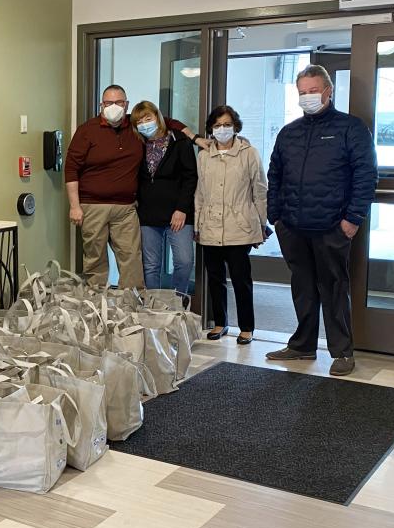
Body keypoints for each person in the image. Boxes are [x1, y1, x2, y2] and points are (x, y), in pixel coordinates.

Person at [265, 65, 377, 376]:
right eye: (302, 92)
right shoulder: (289, 133)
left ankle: (342, 353)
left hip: (332, 226)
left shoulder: (351, 129)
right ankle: (302, 346)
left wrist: (352, 219)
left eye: (313, 91)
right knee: (302, 287)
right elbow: (274, 176)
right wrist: (276, 216)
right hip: (293, 226)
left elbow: (366, 176)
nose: (308, 97)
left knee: (334, 288)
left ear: (328, 91)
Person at [65, 84, 192, 288]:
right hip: (92, 207)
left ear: (126, 105)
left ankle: (131, 309)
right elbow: (71, 169)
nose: (113, 106)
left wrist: (193, 136)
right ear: (101, 105)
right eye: (108, 103)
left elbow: (165, 121)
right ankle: (96, 309)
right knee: (95, 261)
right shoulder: (86, 130)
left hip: (126, 209)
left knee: (132, 260)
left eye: (119, 102)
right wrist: (74, 206)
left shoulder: (135, 127)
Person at [195, 105, 268, 344]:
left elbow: (260, 191)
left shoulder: (249, 153)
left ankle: (246, 327)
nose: (222, 129)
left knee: (241, 279)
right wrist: (197, 225)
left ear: (235, 126)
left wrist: (261, 226)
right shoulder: (204, 155)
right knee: (215, 279)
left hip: (240, 227)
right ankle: (219, 323)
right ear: (210, 129)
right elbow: (200, 193)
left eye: (226, 124)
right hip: (210, 226)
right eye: (217, 126)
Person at [132, 100, 199, 294]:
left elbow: (190, 177)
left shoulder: (179, 141)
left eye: (148, 118)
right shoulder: (138, 144)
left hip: (178, 213)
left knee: (184, 261)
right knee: (151, 265)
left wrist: (182, 209)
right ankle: (154, 307)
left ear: (158, 117)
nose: (145, 124)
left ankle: (179, 302)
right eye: (140, 121)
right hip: (147, 214)